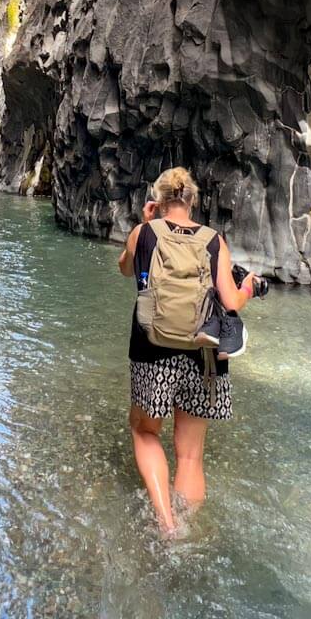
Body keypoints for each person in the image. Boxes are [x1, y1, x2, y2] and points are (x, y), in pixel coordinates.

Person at [117, 167, 259, 534]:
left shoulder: (143, 233)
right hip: (203, 353)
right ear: (192, 200)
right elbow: (231, 301)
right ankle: (187, 529)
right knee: (191, 455)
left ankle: (165, 522)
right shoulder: (214, 240)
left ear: (158, 200)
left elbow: (124, 268)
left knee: (145, 431)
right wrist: (249, 288)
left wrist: (144, 223)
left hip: (153, 349)